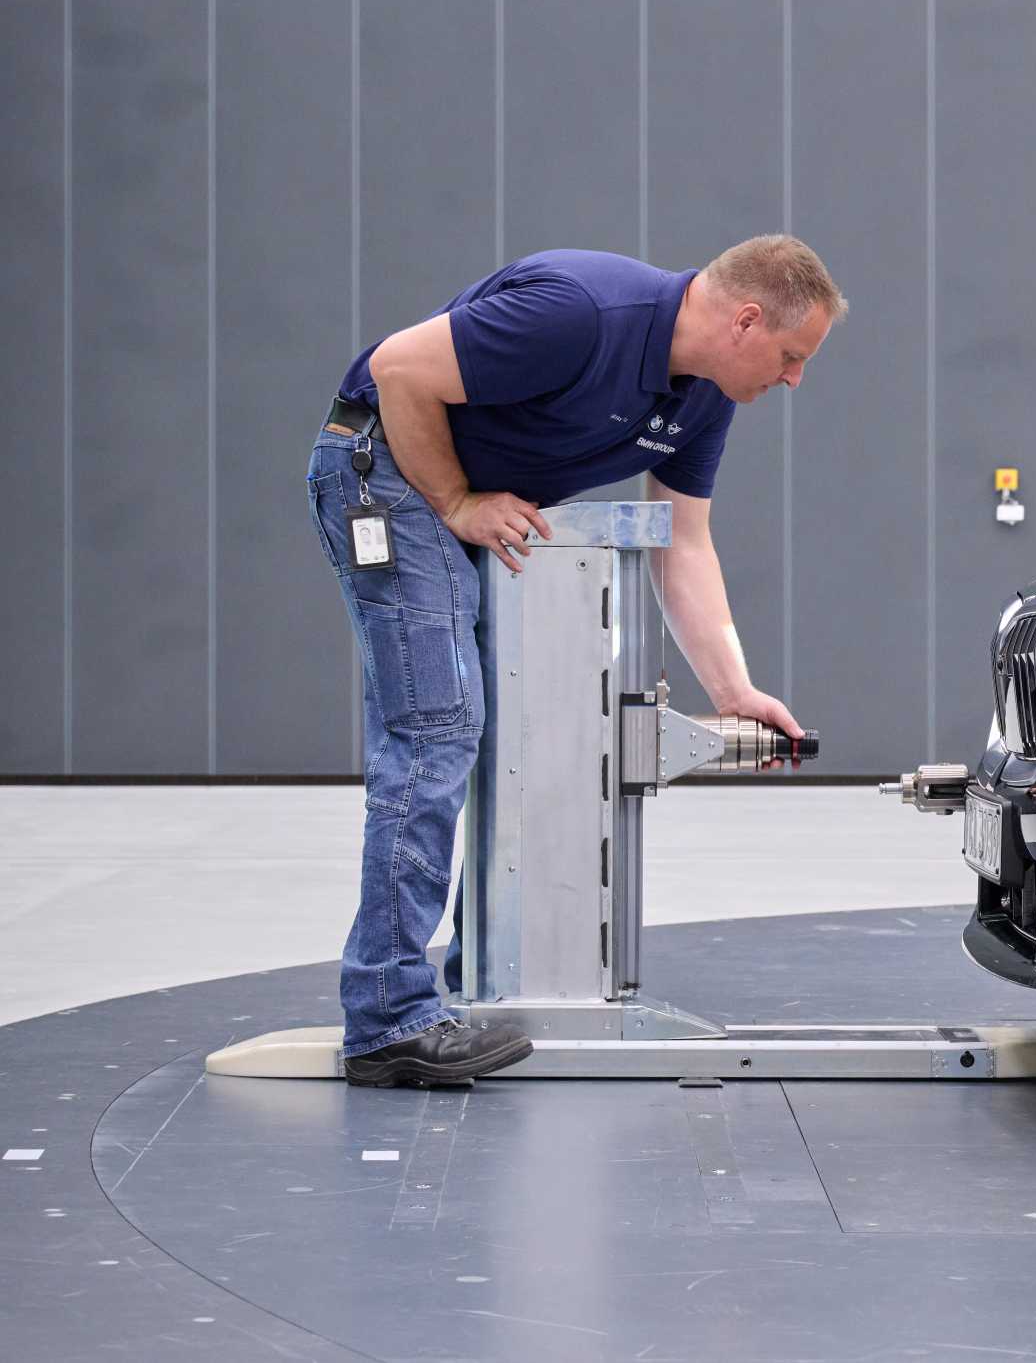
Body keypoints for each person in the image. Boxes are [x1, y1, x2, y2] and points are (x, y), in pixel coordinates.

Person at [306, 237, 845, 1087]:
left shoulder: (702, 399)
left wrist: (734, 692)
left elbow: (685, 544)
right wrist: (456, 501)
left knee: (507, 727)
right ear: (745, 320)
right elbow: (400, 368)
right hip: (388, 474)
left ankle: (467, 987)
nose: (793, 379)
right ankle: (386, 1022)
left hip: (467, 495)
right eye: (790, 356)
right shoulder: (581, 313)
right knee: (438, 728)